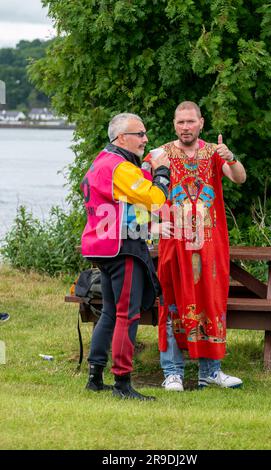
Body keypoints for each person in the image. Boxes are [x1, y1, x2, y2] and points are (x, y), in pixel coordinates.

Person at [151, 101, 246, 391]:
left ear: (201, 123)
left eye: (190, 121)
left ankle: (211, 371)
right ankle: (173, 372)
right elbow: (144, 193)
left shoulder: (214, 153)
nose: (186, 127)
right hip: (174, 243)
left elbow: (240, 178)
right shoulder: (159, 155)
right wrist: (152, 224)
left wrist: (231, 158)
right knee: (172, 304)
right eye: (181, 122)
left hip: (210, 243)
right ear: (174, 124)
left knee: (211, 303)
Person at [81, 112, 170, 401]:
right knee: (127, 314)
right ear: (122, 138)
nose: (145, 139)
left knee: (109, 311)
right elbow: (154, 199)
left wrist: (147, 169)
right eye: (140, 134)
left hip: (103, 247)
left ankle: (95, 377)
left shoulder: (102, 161)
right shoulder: (120, 167)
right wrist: (163, 173)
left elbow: (132, 188)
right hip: (124, 247)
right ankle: (122, 383)